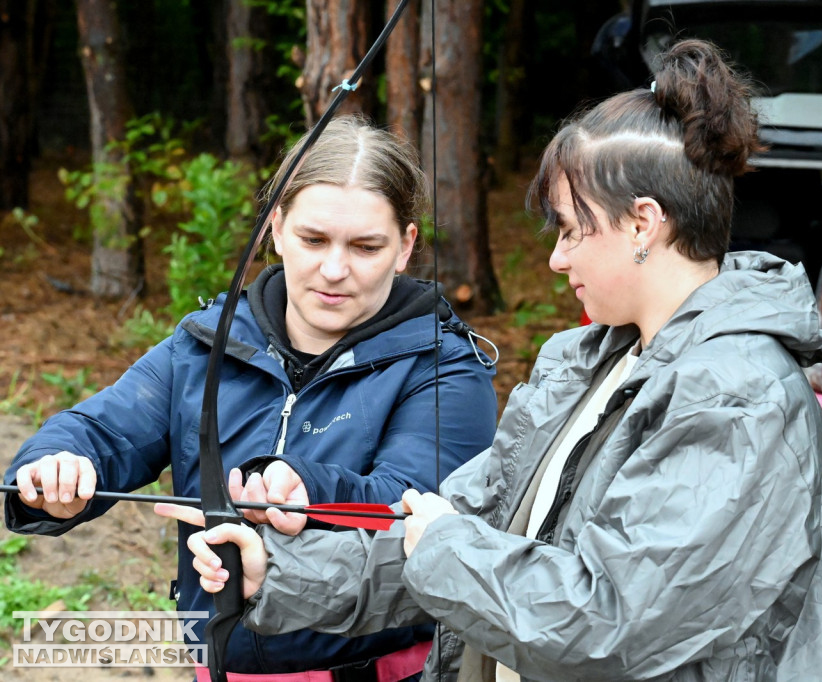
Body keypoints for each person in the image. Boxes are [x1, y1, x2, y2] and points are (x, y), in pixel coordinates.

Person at [162, 39, 822, 681]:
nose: (556, 257)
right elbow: (453, 528)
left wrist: (444, 547)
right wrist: (276, 571)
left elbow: (615, 621)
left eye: (574, 229)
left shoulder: (737, 396)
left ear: (643, 224)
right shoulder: (585, 364)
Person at [4, 115, 499, 681]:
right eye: (313, 239)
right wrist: (53, 470)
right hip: (220, 666)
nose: (333, 270)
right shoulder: (207, 343)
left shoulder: (446, 367)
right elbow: (103, 431)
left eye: (365, 246)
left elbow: (415, 511)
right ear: (277, 228)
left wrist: (307, 487)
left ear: (405, 247)